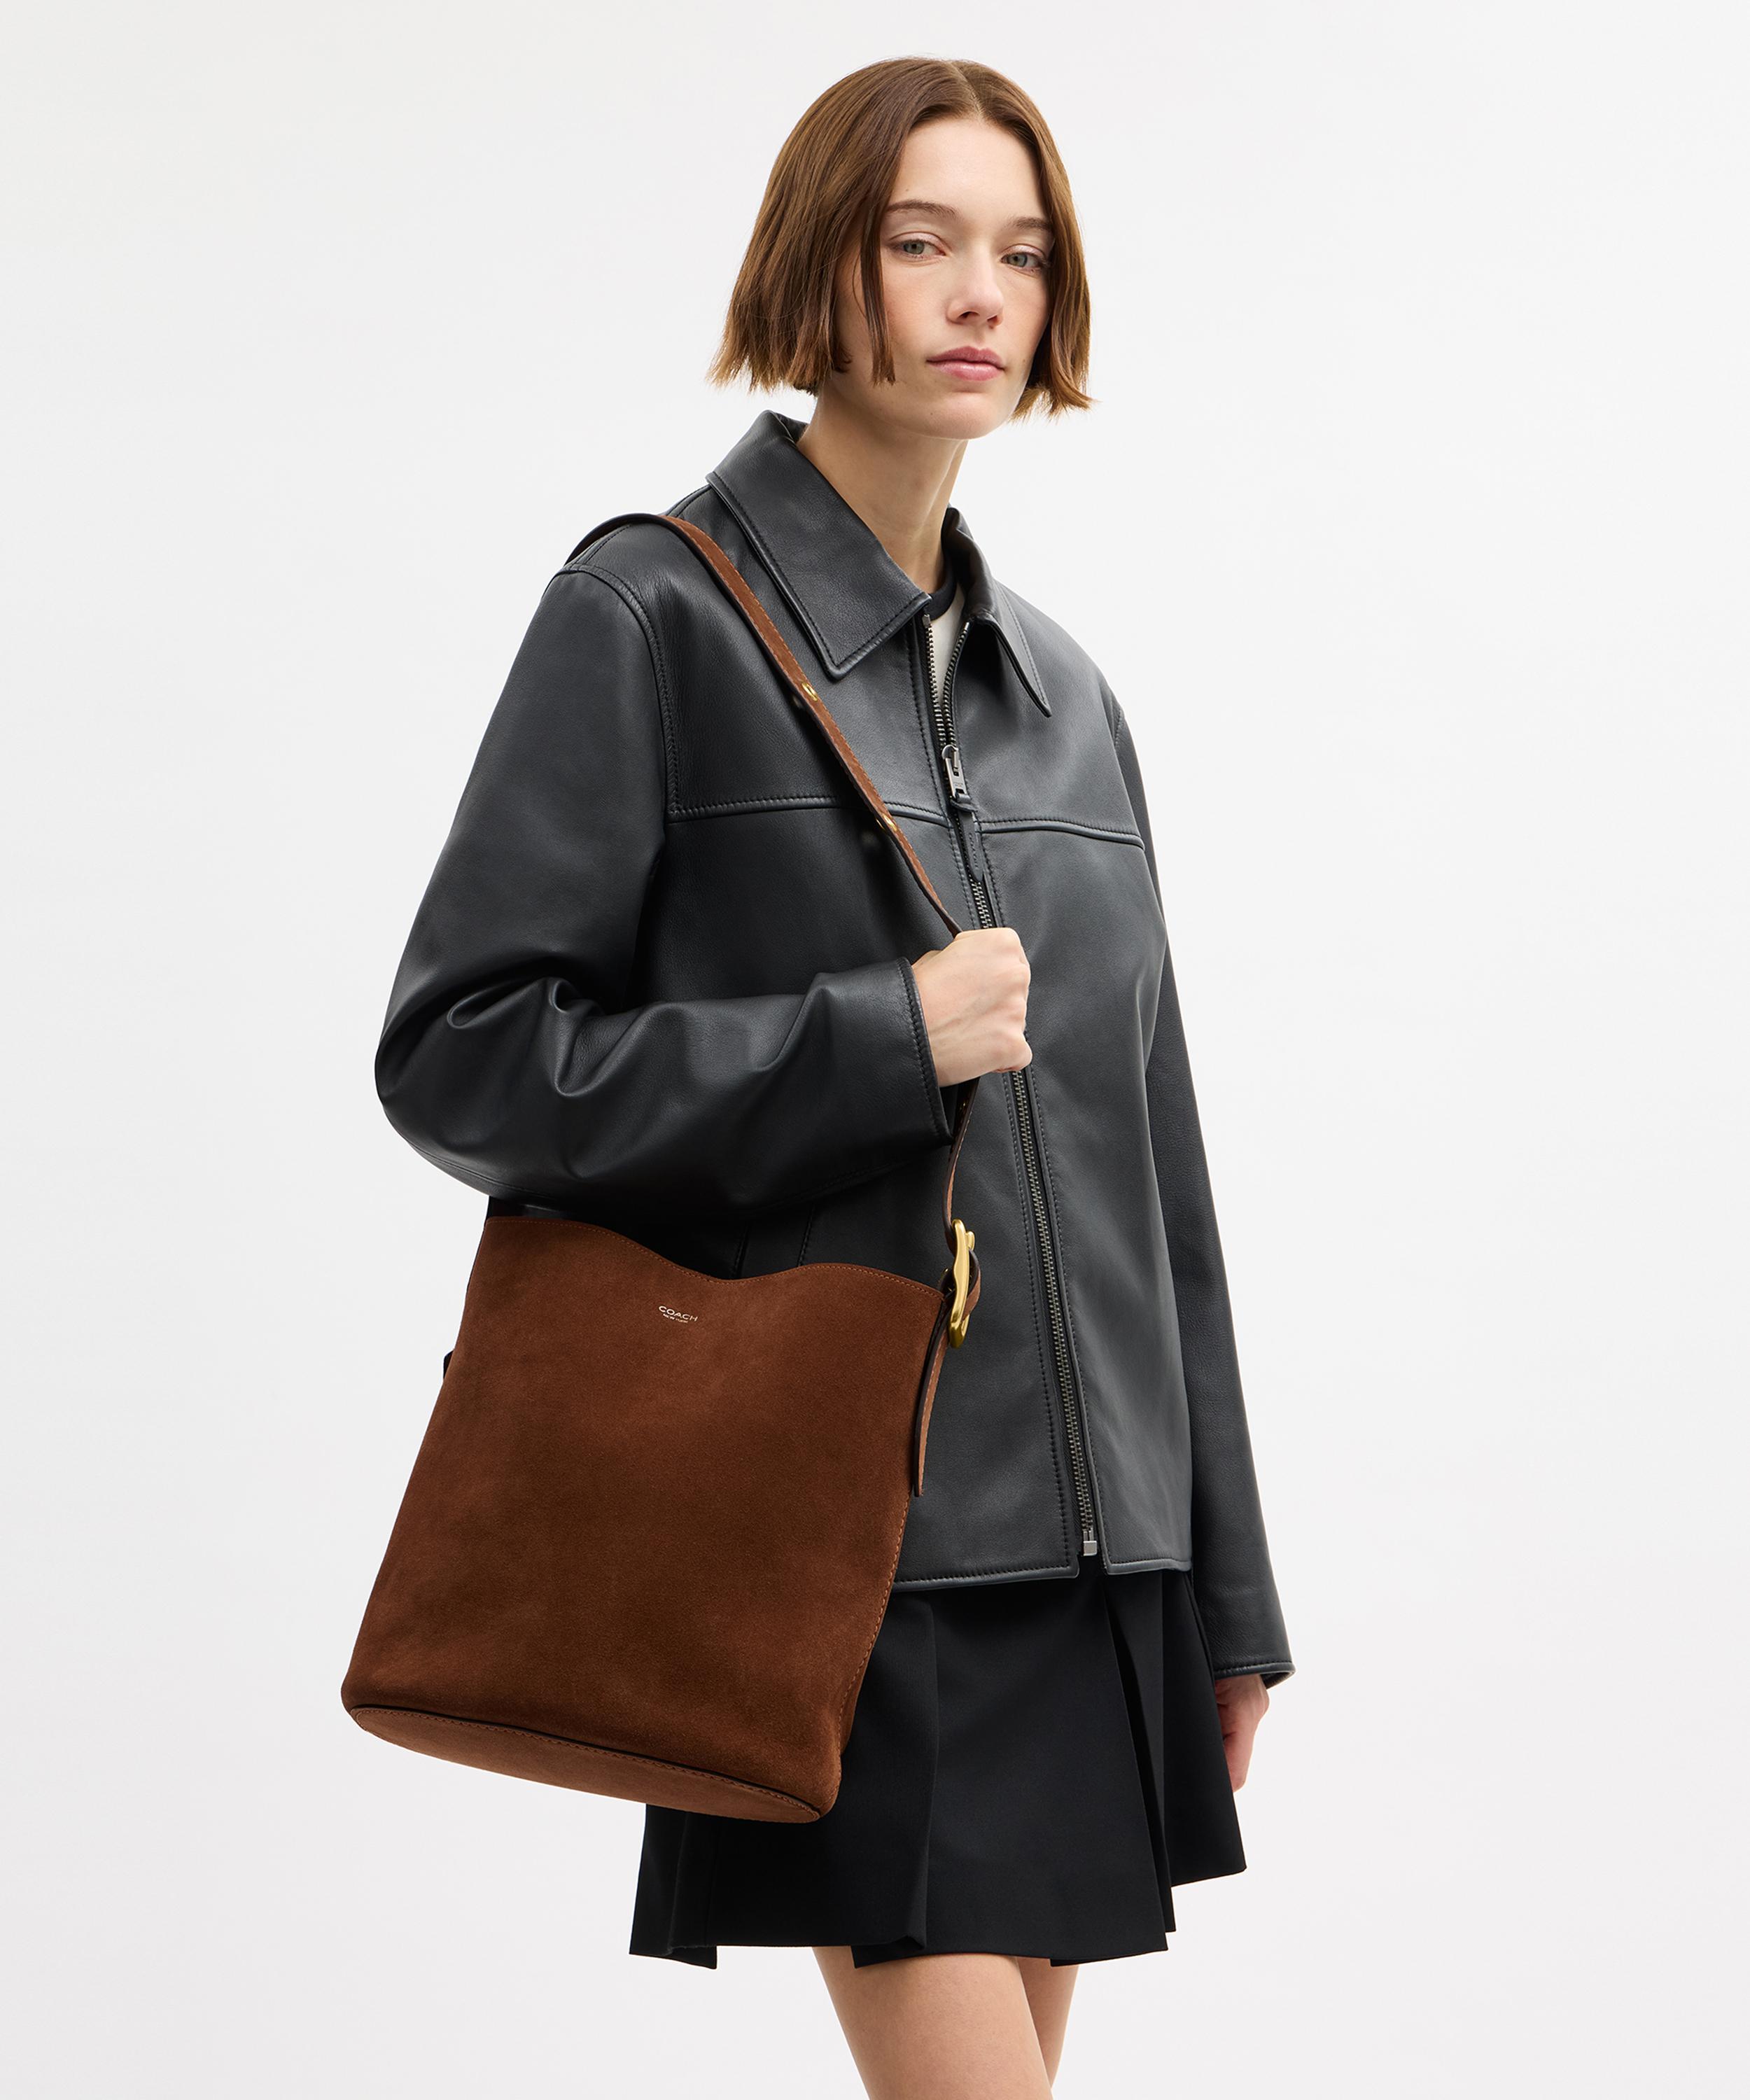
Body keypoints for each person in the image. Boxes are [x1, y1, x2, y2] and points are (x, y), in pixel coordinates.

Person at [373, 54, 1292, 2099]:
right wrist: (877, 1039)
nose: (980, 295)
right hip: (846, 1545)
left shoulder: (1067, 699)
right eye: (920, 242)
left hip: (1091, 1560)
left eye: (1022, 255)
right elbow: (463, 1053)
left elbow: (1155, 1165)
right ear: (821, 266)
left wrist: (1222, 1582)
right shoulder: (649, 615)